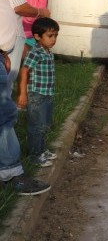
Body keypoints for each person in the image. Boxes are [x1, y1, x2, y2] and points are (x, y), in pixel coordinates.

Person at [0, 0, 51, 195]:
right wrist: (41, 12)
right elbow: (18, 6)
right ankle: (12, 173)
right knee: (5, 113)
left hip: (3, 53)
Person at [17, 17, 59, 168]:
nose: (53, 39)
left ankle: (41, 150)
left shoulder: (48, 52)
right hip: (36, 94)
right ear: (37, 36)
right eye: (50, 36)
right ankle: (34, 155)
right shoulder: (35, 52)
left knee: (44, 123)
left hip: (47, 93)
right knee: (36, 125)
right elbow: (24, 71)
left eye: (55, 36)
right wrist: (22, 94)